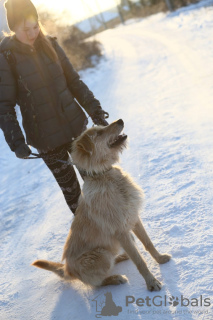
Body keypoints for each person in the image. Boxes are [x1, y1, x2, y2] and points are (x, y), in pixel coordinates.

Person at [0, 0, 109, 215]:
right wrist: (17, 142)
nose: (33, 34)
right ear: (13, 29)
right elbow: (4, 106)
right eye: (25, 30)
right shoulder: (6, 58)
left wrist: (94, 110)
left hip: (76, 129)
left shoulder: (51, 45)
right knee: (75, 199)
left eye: (35, 27)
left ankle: (118, 238)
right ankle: (94, 244)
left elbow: (74, 82)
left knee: (99, 185)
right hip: (47, 141)